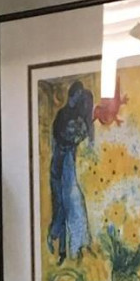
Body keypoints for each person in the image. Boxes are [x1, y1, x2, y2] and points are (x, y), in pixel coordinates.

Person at [48, 80, 94, 262]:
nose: (80, 97)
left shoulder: (80, 112)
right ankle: (59, 245)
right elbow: (57, 138)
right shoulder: (62, 115)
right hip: (60, 162)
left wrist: (81, 139)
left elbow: (87, 128)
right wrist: (71, 140)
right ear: (72, 95)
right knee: (60, 204)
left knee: (70, 204)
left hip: (70, 161)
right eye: (78, 94)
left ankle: (66, 248)